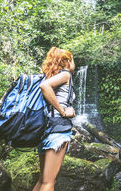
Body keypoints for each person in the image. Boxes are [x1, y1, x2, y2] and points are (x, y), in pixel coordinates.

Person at [33, 46, 77, 191]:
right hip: (58, 130)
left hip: (45, 131)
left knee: (42, 180)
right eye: (73, 60)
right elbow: (44, 86)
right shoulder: (65, 75)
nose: (74, 64)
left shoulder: (51, 76)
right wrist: (63, 112)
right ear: (66, 61)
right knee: (49, 182)